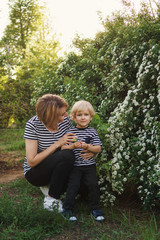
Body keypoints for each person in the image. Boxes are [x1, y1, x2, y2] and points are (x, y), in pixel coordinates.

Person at [24, 94, 93, 212]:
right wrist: (57, 143)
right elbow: (32, 161)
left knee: (84, 188)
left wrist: (90, 150)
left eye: (65, 112)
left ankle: (53, 187)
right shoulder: (33, 125)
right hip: (36, 172)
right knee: (67, 155)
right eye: (62, 114)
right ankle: (51, 199)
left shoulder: (65, 121)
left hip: (60, 165)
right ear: (51, 117)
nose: (66, 115)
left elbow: (76, 140)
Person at [61, 100, 105, 222]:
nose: (83, 117)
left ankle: (95, 209)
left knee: (93, 186)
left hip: (89, 166)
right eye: (79, 115)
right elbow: (63, 147)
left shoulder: (92, 132)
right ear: (74, 117)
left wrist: (88, 147)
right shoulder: (70, 132)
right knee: (73, 186)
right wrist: (73, 146)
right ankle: (67, 210)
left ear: (91, 117)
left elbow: (98, 148)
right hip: (75, 166)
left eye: (86, 115)